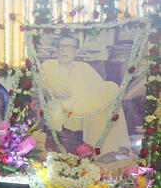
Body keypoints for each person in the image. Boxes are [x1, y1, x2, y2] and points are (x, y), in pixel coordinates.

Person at [39, 33, 131, 161]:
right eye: (61, 46)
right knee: (105, 93)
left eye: (69, 47)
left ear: (76, 51)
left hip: (87, 103)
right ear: (56, 49)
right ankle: (102, 149)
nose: (64, 50)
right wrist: (52, 89)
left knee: (111, 87)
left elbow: (100, 88)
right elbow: (39, 87)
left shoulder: (84, 67)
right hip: (63, 105)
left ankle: (111, 146)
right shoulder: (48, 65)